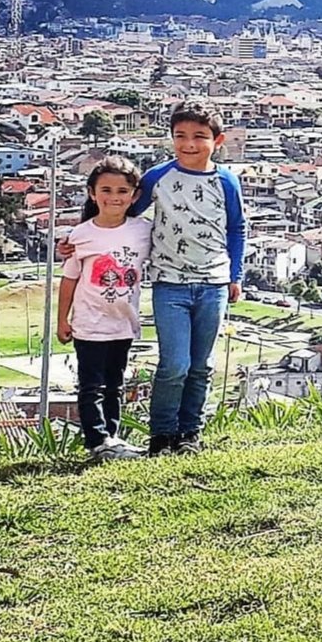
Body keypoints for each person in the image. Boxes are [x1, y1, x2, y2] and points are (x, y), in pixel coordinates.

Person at [59, 99, 246, 457]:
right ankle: (161, 436)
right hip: (169, 283)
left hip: (213, 283)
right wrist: (79, 242)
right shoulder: (159, 177)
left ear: (217, 141)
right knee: (174, 364)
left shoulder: (226, 180)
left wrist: (235, 275)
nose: (189, 144)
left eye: (199, 137)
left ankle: (190, 434)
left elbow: (237, 227)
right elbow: (120, 213)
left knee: (201, 365)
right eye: (180, 136)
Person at [57, 156, 152, 462]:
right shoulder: (81, 235)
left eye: (122, 191)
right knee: (91, 386)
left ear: (135, 195)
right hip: (89, 324)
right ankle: (97, 440)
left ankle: (112, 439)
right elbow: (69, 279)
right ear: (92, 193)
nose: (114, 197)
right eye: (106, 190)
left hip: (123, 323)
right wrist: (62, 319)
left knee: (115, 385)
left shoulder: (143, 231)